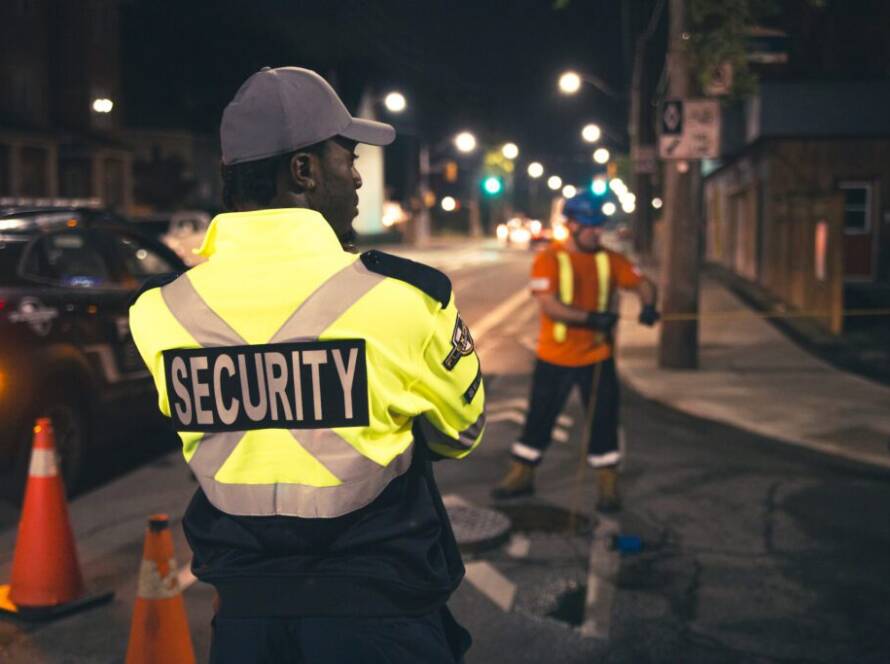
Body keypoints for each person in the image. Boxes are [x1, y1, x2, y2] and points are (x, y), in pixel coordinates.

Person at [129, 67, 485, 664]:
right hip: (383, 621)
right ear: (303, 170)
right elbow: (462, 434)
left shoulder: (159, 311)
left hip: (244, 627)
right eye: (348, 157)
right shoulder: (405, 297)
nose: (355, 175)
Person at [491, 190, 658, 512]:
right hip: (554, 358)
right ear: (571, 225)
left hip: (597, 358)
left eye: (599, 225)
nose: (597, 231)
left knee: (604, 422)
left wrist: (649, 305)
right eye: (589, 225)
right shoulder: (548, 259)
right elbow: (550, 306)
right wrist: (591, 318)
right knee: (539, 419)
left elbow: (643, 283)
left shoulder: (610, 259)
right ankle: (522, 474)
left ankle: (608, 483)